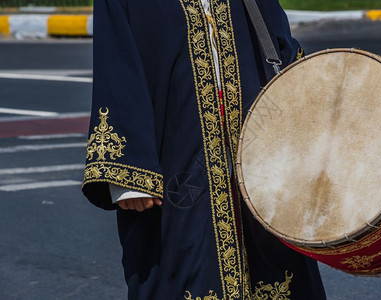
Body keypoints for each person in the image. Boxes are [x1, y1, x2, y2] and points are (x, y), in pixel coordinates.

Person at [82, 0, 326, 299]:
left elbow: (278, 43)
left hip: (261, 150)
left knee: (276, 264)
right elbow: (117, 65)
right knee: (183, 263)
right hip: (176, 154)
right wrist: (129, 175)